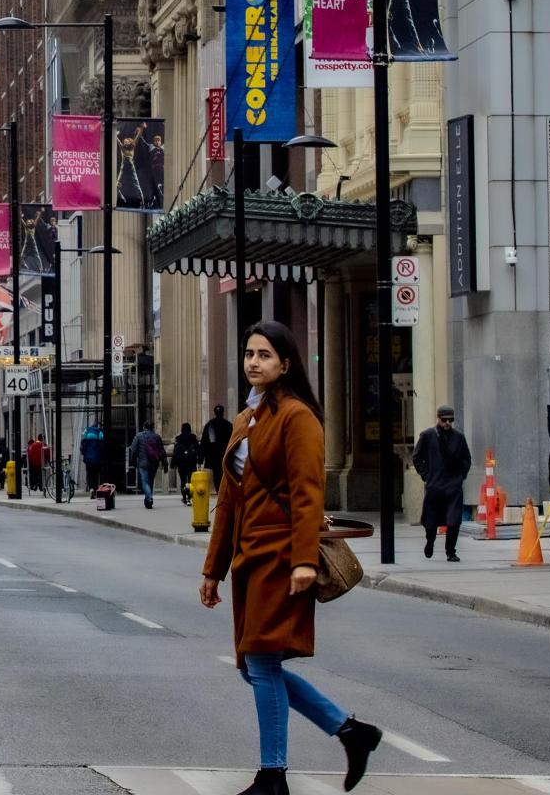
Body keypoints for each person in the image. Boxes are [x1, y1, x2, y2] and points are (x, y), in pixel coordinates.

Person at [201, 321, 381, 795]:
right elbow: (228, 502)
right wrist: (212, 571)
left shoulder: (297, 417)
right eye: (248, 354)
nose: (253, 362)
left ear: (285, 364)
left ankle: (273, 775)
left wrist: (304, 559)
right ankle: (349, 731)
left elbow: (307, 495)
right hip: (249, 558)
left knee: (260, 663)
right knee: (253, 665)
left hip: (282, 555)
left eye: (264, 355)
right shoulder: (246, 419)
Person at [412, 405, 472, 561]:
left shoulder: (459, 438)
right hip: (434, 485)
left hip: (453, 486)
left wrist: (461, 476)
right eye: (444, 420)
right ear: (438, 418)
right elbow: (417, 457)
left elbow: (466, 458)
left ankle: (451, 551)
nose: (447, 423)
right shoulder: (427, 436)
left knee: (454, 521)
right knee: (430, 522)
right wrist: (426, 475)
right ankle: (430, 541)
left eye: (450, 420)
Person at [129, 422, 166, 508]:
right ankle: (148, 501)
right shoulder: (157, 437)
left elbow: (133, 450)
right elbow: (162, 451)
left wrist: (133, 461)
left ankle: (149, 497)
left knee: (145, 482)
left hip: (143, 463)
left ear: (144, 427)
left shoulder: (138, 436)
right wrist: (165, 463)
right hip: (154, 463)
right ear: (152, 427)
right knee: (150, 481)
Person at [202, 403, 234, 488]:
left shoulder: (210, 425)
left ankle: (219, 490)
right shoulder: (228, 425)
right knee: (224, 473)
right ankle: (223, 489)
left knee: (216, 474)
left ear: (214, 412)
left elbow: (205, 442)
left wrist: (202, 457)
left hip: (214, 455)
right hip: (225, 454)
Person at [173, 422, 202, 506]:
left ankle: (184, 497)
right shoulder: (193, 438)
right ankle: (189, 497)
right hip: (192, 462)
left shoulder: (178, 439)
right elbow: (198, 450)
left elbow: (175, 452)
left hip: (181, 463)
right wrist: (199, 461)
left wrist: (174, 463)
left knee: (183, 480)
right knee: (190, 480)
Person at [80, 424, 104, 492]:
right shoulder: (100, 433)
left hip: (88, 459)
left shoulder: (86, 433)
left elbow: (82, 448)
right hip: (98, 459)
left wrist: (85, 454)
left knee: (90, 474)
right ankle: (97, 489)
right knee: (97, 474)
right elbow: (102, 447)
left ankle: (91, 488)